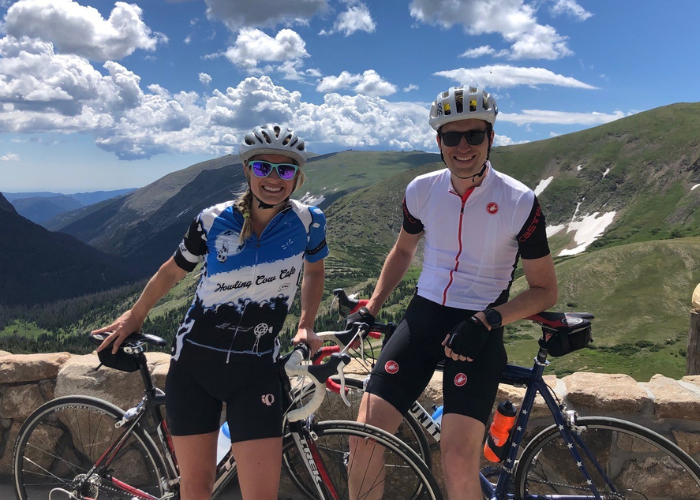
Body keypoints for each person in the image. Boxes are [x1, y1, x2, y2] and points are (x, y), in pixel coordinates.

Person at [93, 124, 328, 500]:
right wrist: (135, 315)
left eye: (285, 170)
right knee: (197, 488)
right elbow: (172, 270)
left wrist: (307, 324)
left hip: (256, 371)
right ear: (247, 170)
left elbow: (314, 270)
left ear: (297, 177)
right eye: (263, 168)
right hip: (195, 366)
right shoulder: (211, 220)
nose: (273, 178)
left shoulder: (309, 222)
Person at [347, 86, 558, 500]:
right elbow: (404, 249)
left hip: (477, 328)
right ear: (438, 141)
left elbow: (545, 290)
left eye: (474, 135)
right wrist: (371, 306)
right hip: (422, 320)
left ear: (491, 137)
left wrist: (489, 319)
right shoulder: (420, 191)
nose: (463, 147)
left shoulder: (519, 201)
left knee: (459, 460)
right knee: (364, 438)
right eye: (451, 137)